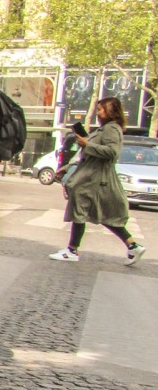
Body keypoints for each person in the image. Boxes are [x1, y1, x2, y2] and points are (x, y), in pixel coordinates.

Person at [49, 97, 146, 265]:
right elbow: (90, 155)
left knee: (81, 212)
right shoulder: (104, 129)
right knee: (100, 215)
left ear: (111, 111)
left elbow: (112, 152)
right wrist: (68, 166)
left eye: (101, 109)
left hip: (95, 180)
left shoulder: (111, 129)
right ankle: (132, 246)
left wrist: (87, 144)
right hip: (91, 178)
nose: (98, 113)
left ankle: (72, 250)